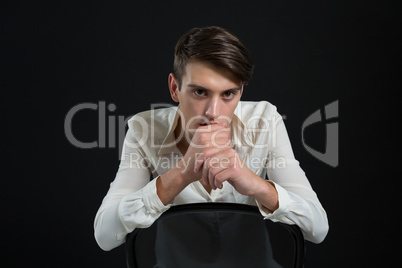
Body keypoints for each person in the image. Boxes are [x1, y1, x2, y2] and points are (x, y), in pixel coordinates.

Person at [94, 26, 329, 251]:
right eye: (200, 92)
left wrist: (254, 183)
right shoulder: (142, 129)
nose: (213, 112)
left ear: (240, 92)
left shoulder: (265, 121)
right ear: (175, 88)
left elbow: (318, 229)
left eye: (228, 94)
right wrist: (181, 174)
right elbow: (105, 236)